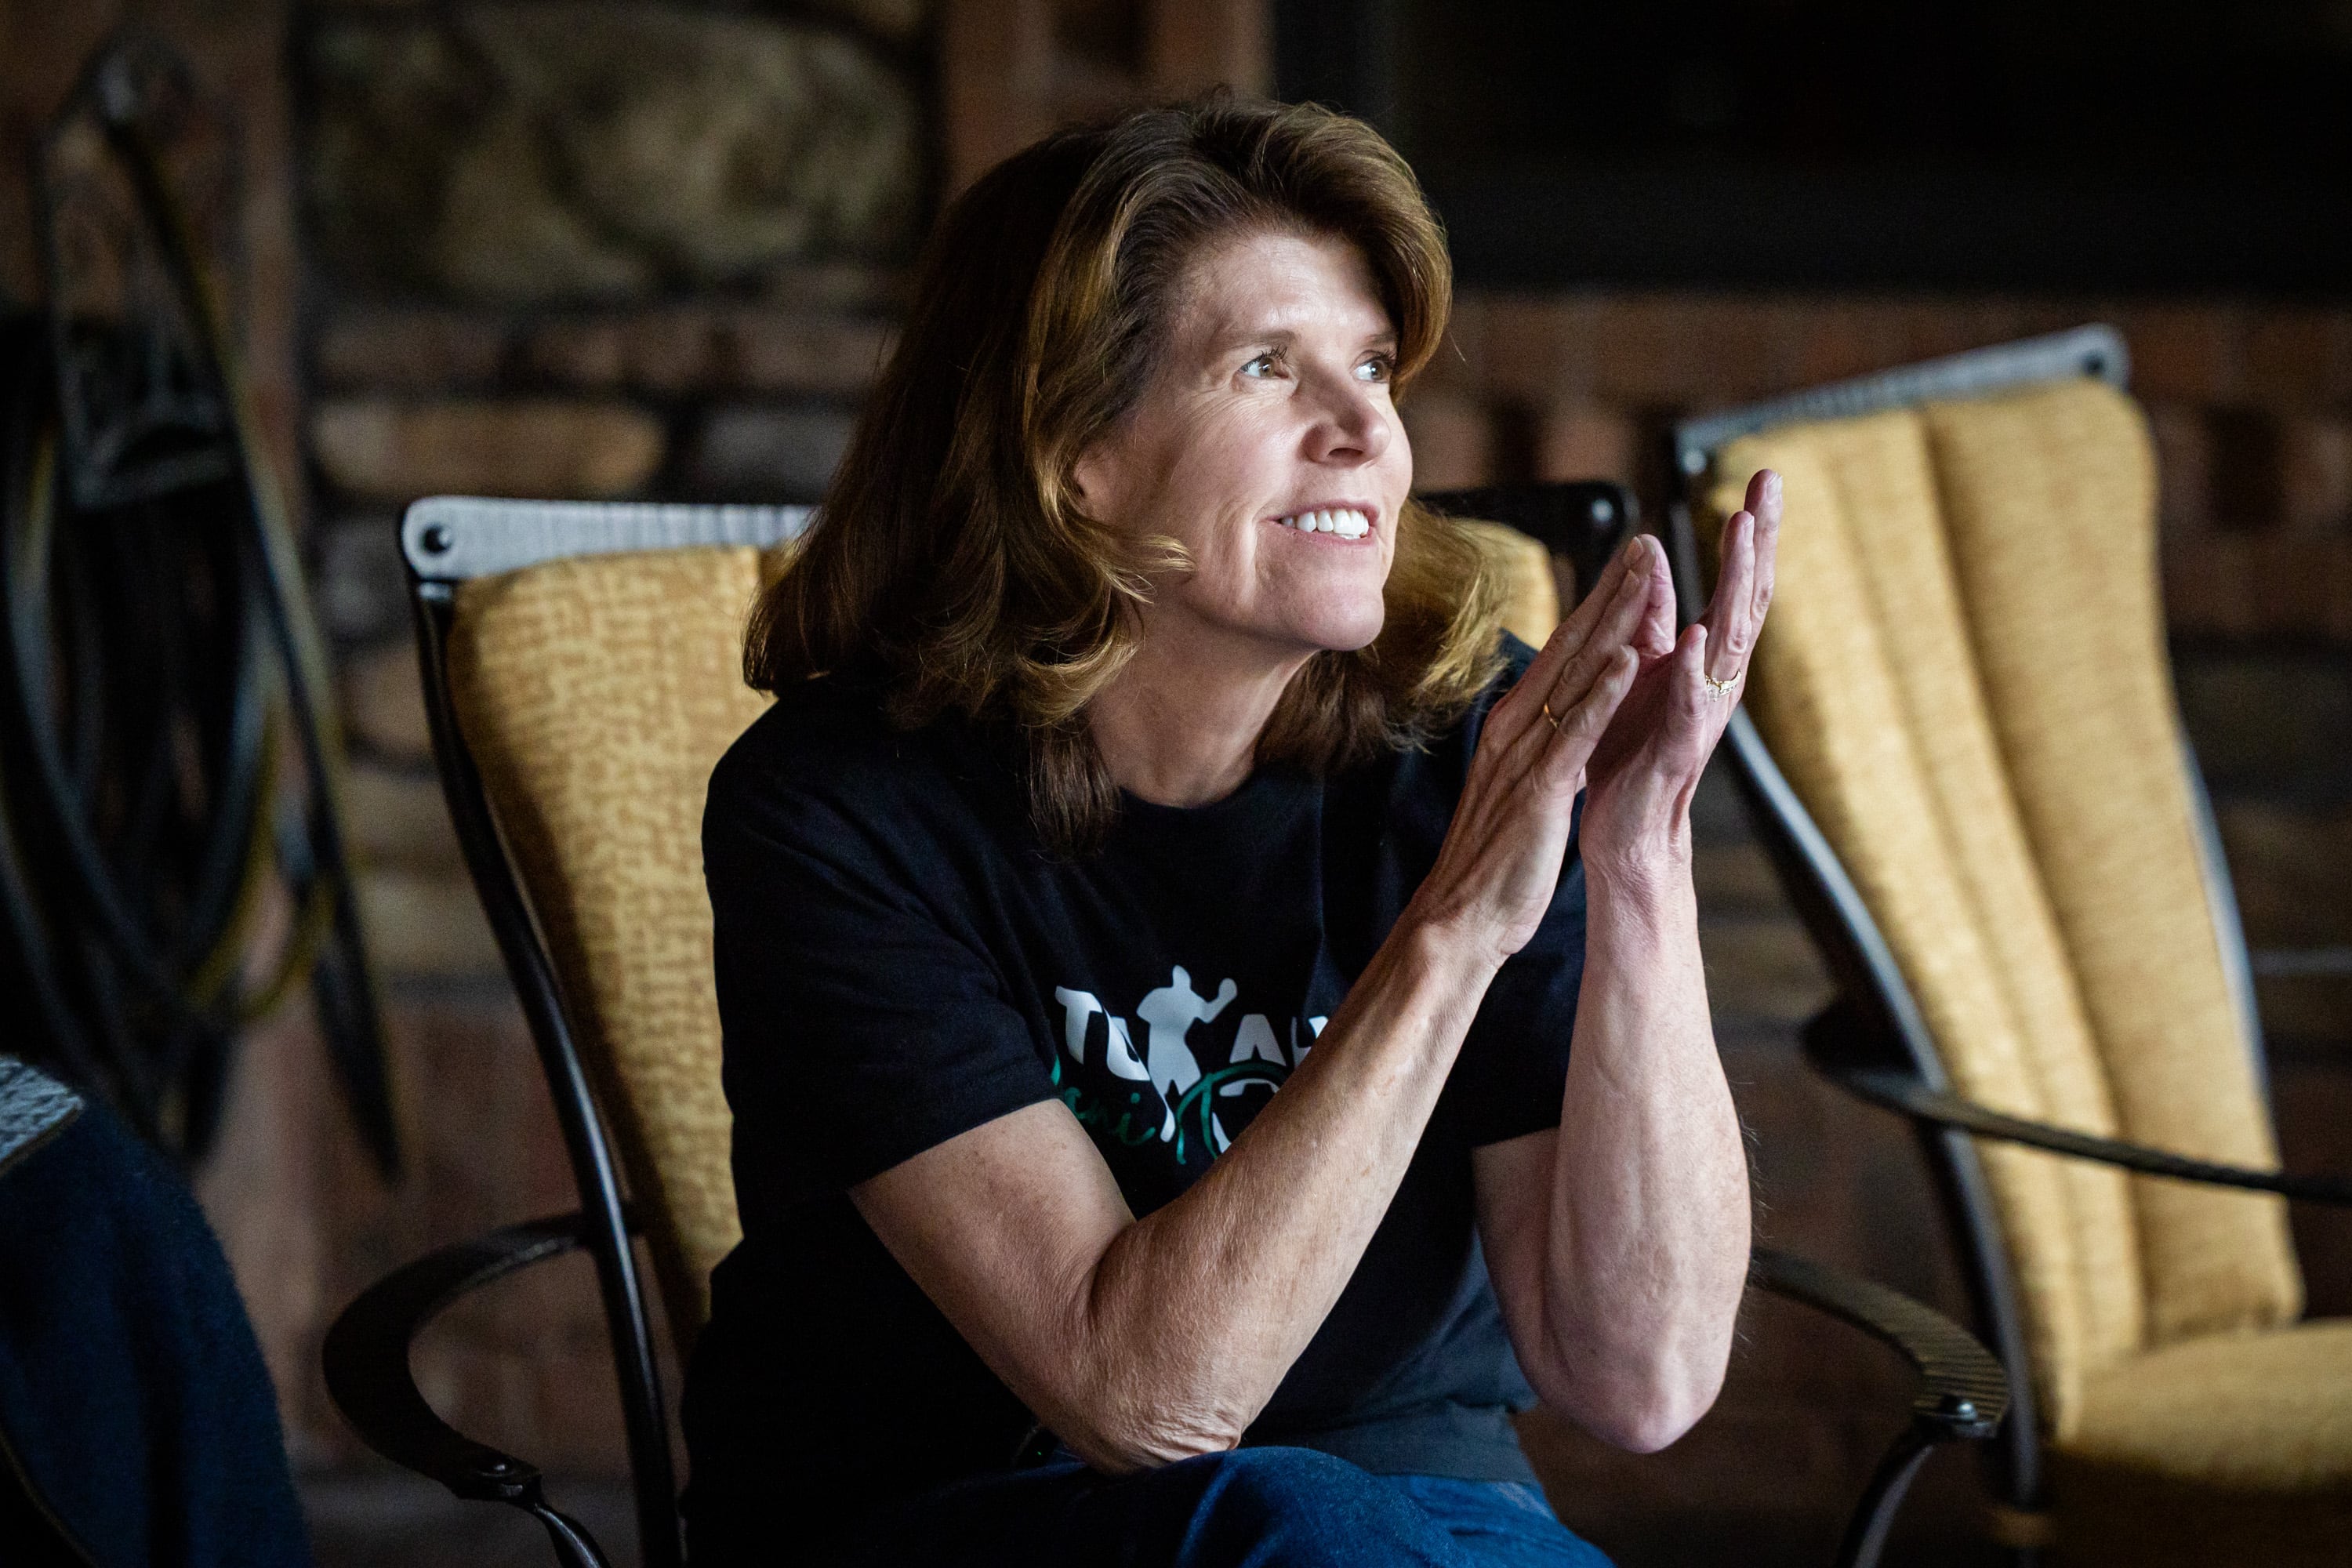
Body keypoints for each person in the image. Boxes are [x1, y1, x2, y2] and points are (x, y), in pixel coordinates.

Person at [681, 96, 1780, 1566]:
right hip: (980, 1511)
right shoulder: (842, 815)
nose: (1367, 432)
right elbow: (1141, 1404)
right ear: (1075, 450)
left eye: (1375, 366)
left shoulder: (1475, 747)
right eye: (1268, 368)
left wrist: (1638, 864)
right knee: (1295, 1521)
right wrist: (1453, 936)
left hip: (1427, 1515)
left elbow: (1638, 1380)